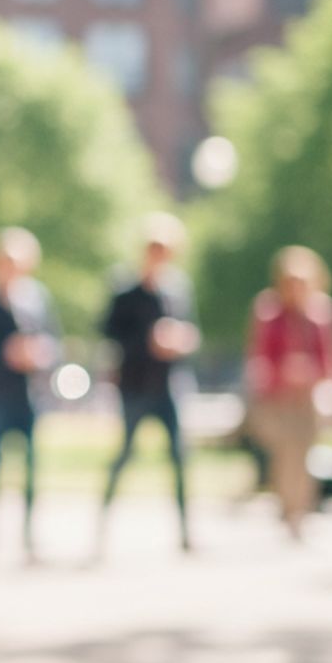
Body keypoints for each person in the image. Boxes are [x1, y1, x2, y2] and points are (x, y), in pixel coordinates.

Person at [98, 212, 198, 556]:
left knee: (180, 458)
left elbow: (190, 331)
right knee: (125, 453)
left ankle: (186, 532)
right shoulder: (125, 290)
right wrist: (148, 340)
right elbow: (109, 334)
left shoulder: (179, 288)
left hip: (169, 384)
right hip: (135, 385)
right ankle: (103, 524)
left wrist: (180, 341)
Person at [0, 228, 59, 562]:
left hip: (30, 393)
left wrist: (40, 353)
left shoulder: (37, 298)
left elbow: (53, 341)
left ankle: (30, 534)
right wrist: (6, 352)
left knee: (32, 466)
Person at [244, 246, 332, 541]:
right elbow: (259, 355)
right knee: (286, 454)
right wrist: (282, 372)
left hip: (307, 396)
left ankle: (300, 510)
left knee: (305, 453)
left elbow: (329, 359)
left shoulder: (320, 313)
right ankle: (288, 508)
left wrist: (316, 376)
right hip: (278, 397)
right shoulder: (269, 311)